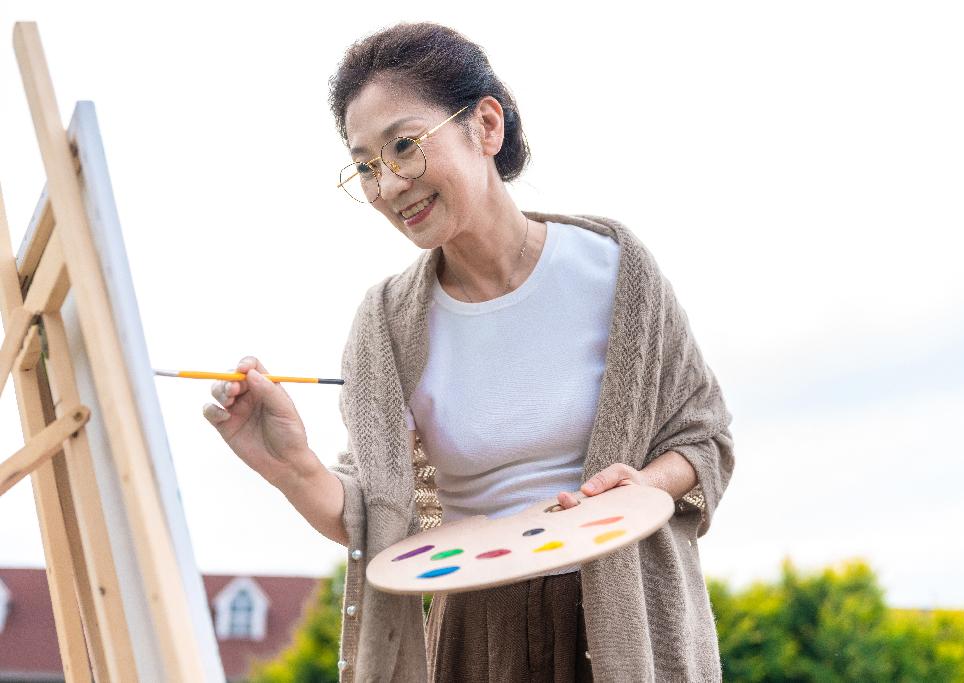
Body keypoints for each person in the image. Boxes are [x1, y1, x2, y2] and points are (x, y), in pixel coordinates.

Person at [203, 21, 735, 682]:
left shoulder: (617, 270)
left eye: (404, 146)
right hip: (478, 637)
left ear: (486, 125)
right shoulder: (385, 324)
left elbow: (704, 438)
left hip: (627, 624)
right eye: (366, 166)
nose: (389, 185)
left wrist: (643, 484)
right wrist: (287, 463)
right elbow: (376, 516)